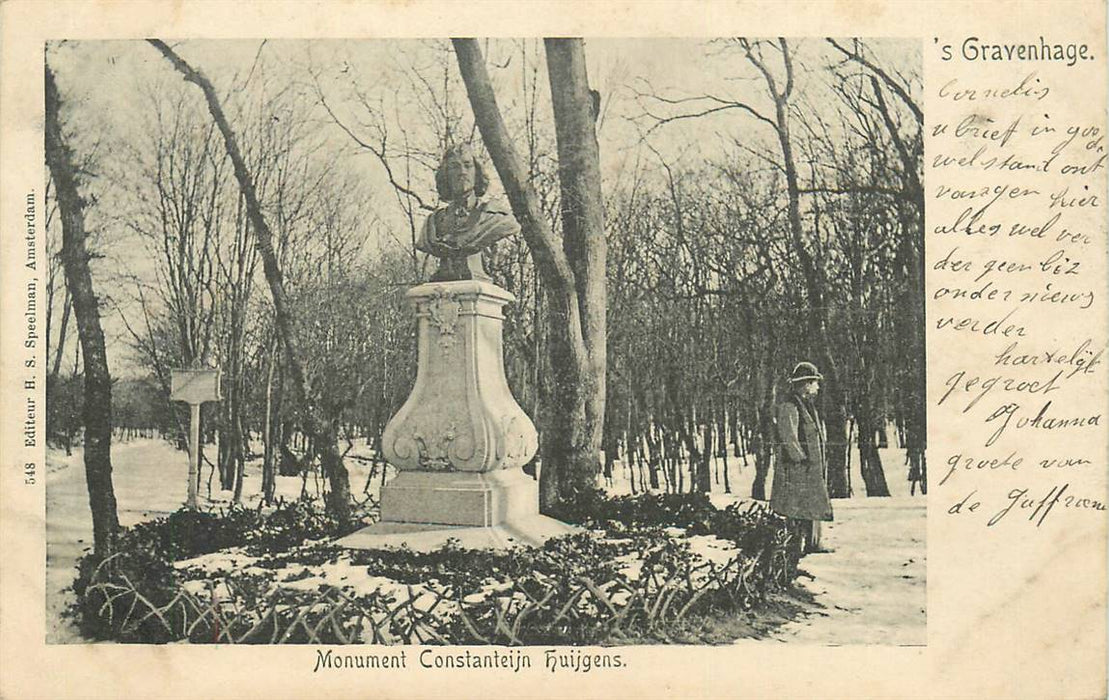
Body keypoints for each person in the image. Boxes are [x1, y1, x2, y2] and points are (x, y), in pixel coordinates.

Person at [417, 143, 519, 282]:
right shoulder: (433, 223)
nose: (462, 171)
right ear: (445, 175)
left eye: (468, 165)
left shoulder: (495, 217)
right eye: (455, 167)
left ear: (476, 172)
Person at [771, 361, 834, 554]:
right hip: (797, 468)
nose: (817, 386)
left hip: (810, 466)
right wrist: (800, 459)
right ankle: (794, 545)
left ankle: (814, 542)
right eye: (814, 382)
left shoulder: (806, 405)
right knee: (796, 507)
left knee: (813, 503)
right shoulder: (790, 406)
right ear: (805, 384)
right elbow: (788, 436)